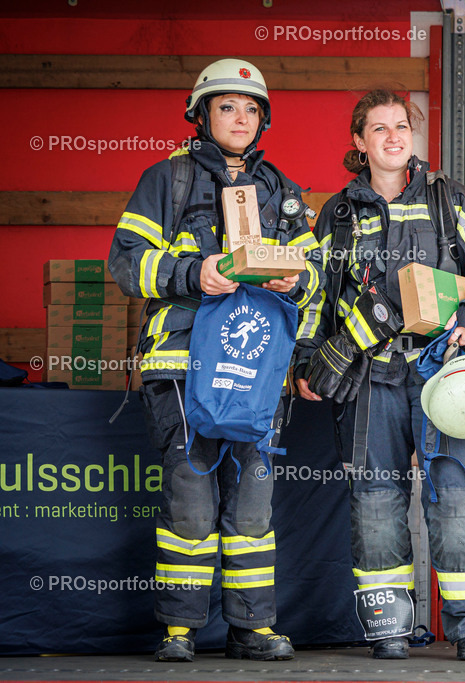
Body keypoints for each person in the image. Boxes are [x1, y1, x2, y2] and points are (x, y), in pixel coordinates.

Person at [293, 89, 465, 662]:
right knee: (375, 500)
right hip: (370, 379)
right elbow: (315, 299)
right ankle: (388, 629)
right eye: (379, 128)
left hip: (446, 373)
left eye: (401, 126)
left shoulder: (448, 200)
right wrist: (305, 361)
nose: (393, 137)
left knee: (459, 496)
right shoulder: (338, 214)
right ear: (359, 141)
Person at [108, 58, 324, 662]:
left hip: (256, 368)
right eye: (227, 106)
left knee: (253, 505)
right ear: (201, 115)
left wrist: (294, 279)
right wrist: (193, 274)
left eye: (252, 108)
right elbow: (126, 262)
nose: (241, 117)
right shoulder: (166, 179)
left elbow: (314, 275)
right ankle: (179, 628)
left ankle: (252, 627)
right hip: (183, 365)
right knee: (191, 501)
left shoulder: (282, 190)